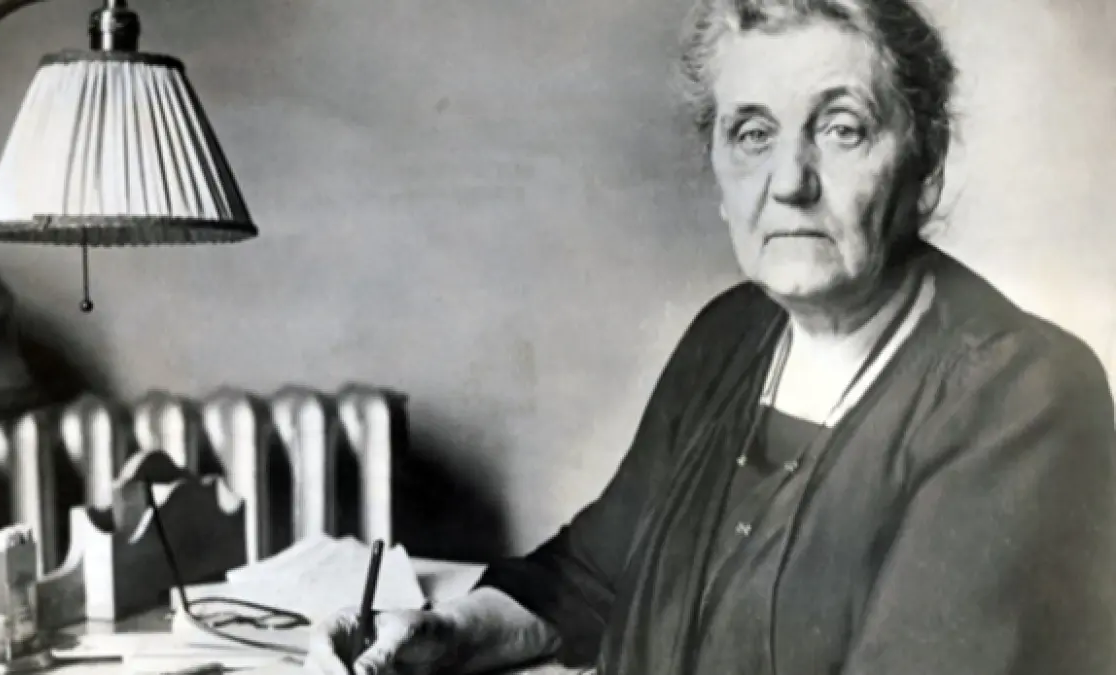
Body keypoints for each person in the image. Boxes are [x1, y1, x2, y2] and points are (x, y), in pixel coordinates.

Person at [304, 0, 1116, 673]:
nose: (789, 182)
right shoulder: (732, 334)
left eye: (841, 128)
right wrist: (448, 633)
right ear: (721, 173)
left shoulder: (1022, 397)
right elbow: (591, 577)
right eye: (754, 133)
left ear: (925, 166)